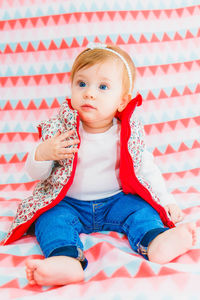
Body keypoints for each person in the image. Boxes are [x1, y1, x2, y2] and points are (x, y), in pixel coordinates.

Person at [2, 43, 197, 286]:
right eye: (81, 84)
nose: (89, 93)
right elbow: (36, 173)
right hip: (70, 204)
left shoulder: (125, 134)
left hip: (116, 200)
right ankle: (66, 259)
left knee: (142, 211)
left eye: (103, 87)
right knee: (50, 220)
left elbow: (146, 168)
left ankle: (156, 241)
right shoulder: (60, 130)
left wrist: (167, 200)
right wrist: (43, 153)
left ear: (122, 101)